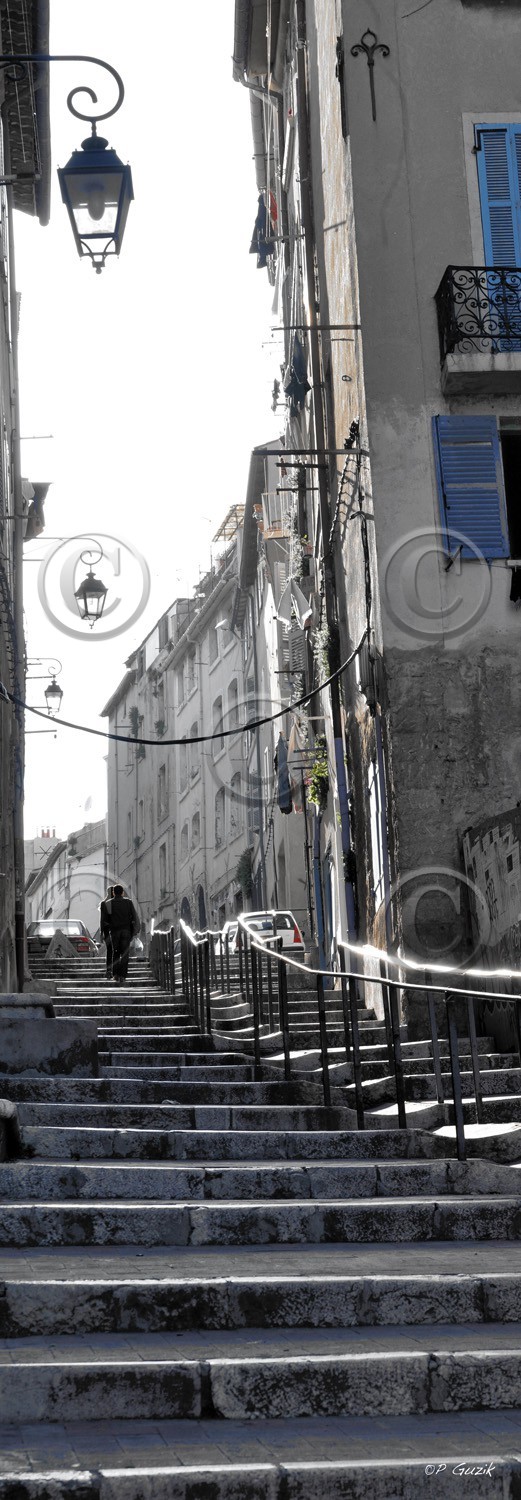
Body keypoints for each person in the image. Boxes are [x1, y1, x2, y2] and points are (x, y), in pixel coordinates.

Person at [106, 884, 139, 985]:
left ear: (113, 893)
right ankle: (123, 976)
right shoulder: (128, 902)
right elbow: (134, 916)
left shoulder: (109, 903)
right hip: (126, 931)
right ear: (122, 893)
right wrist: (135, 930)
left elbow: (106, 919)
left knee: (115, 953)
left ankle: (116, 974)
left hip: (115, 932)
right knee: (125, 953)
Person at [99, 886, 114, 980]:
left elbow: (102, 919)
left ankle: (109, 970)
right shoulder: (116, 902)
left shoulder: (103, 903)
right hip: (115, 929)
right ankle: (113, 970)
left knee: (109, 950)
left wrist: (101, 933)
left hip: (107, 929)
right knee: (115, 950)